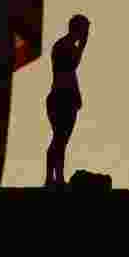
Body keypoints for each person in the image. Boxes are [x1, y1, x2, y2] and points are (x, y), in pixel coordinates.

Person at [45, 13, 89, 188]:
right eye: (85, 30)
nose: (86, 34)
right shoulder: (64, 45)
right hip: (61, 97)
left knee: (60, 139)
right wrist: (83, 46)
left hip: (64, 97)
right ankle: (54, 178)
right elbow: (71, 67)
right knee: (59, 139)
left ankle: (55, 177)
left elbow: (71, 73)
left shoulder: (65, 45)